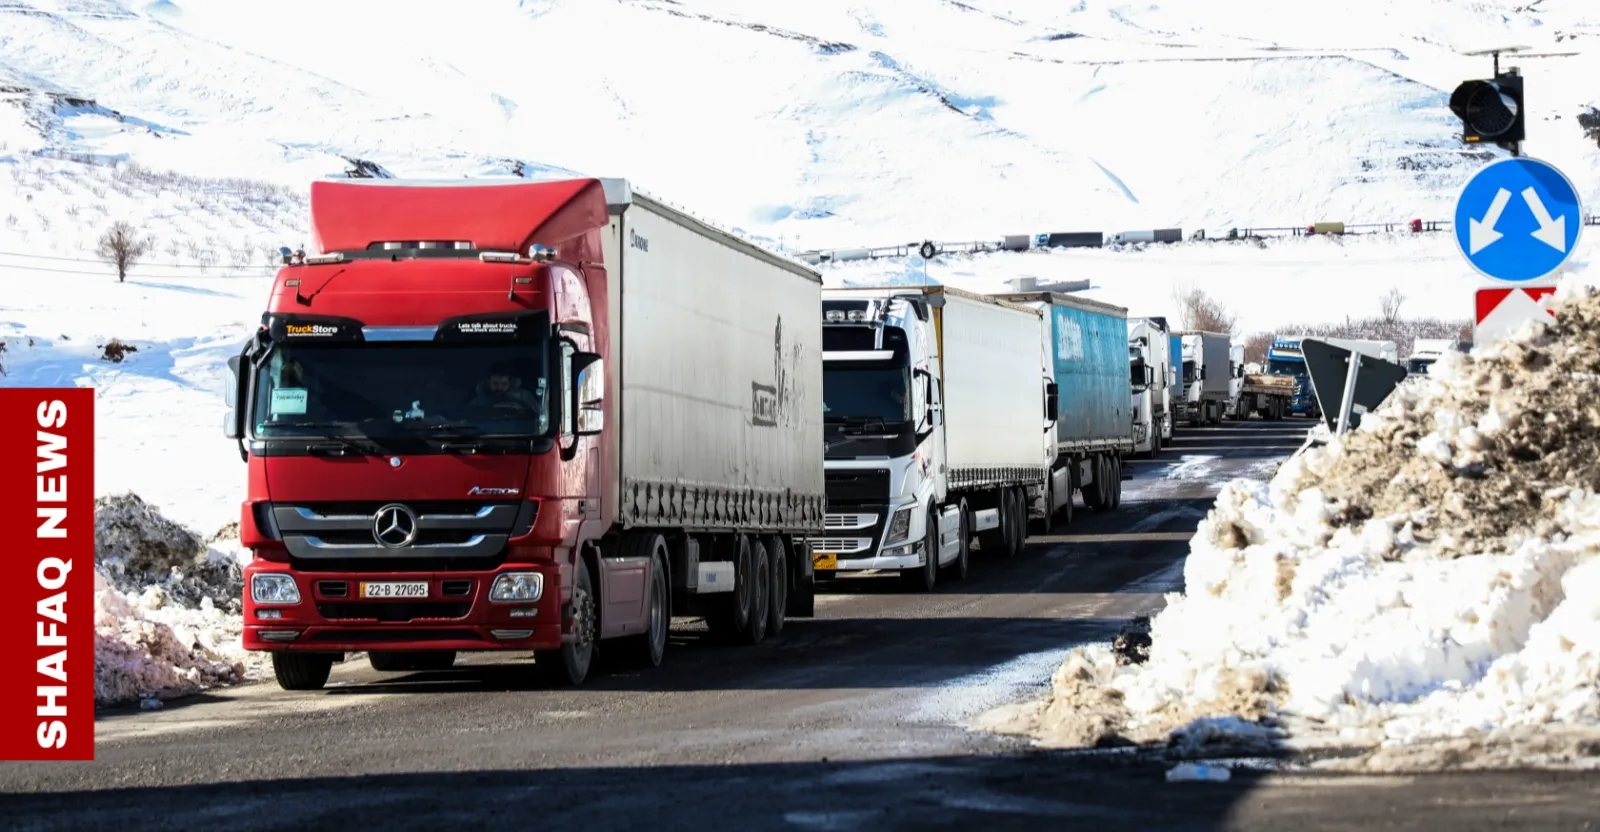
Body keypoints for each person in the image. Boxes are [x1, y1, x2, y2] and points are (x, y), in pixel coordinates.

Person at [471, 362, 541, 413]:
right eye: (495, 383)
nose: (499, 388)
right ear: (489, 383)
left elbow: (538, 414)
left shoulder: (523, 396)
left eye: (504, 384)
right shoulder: (479, 401)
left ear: (510, 383)